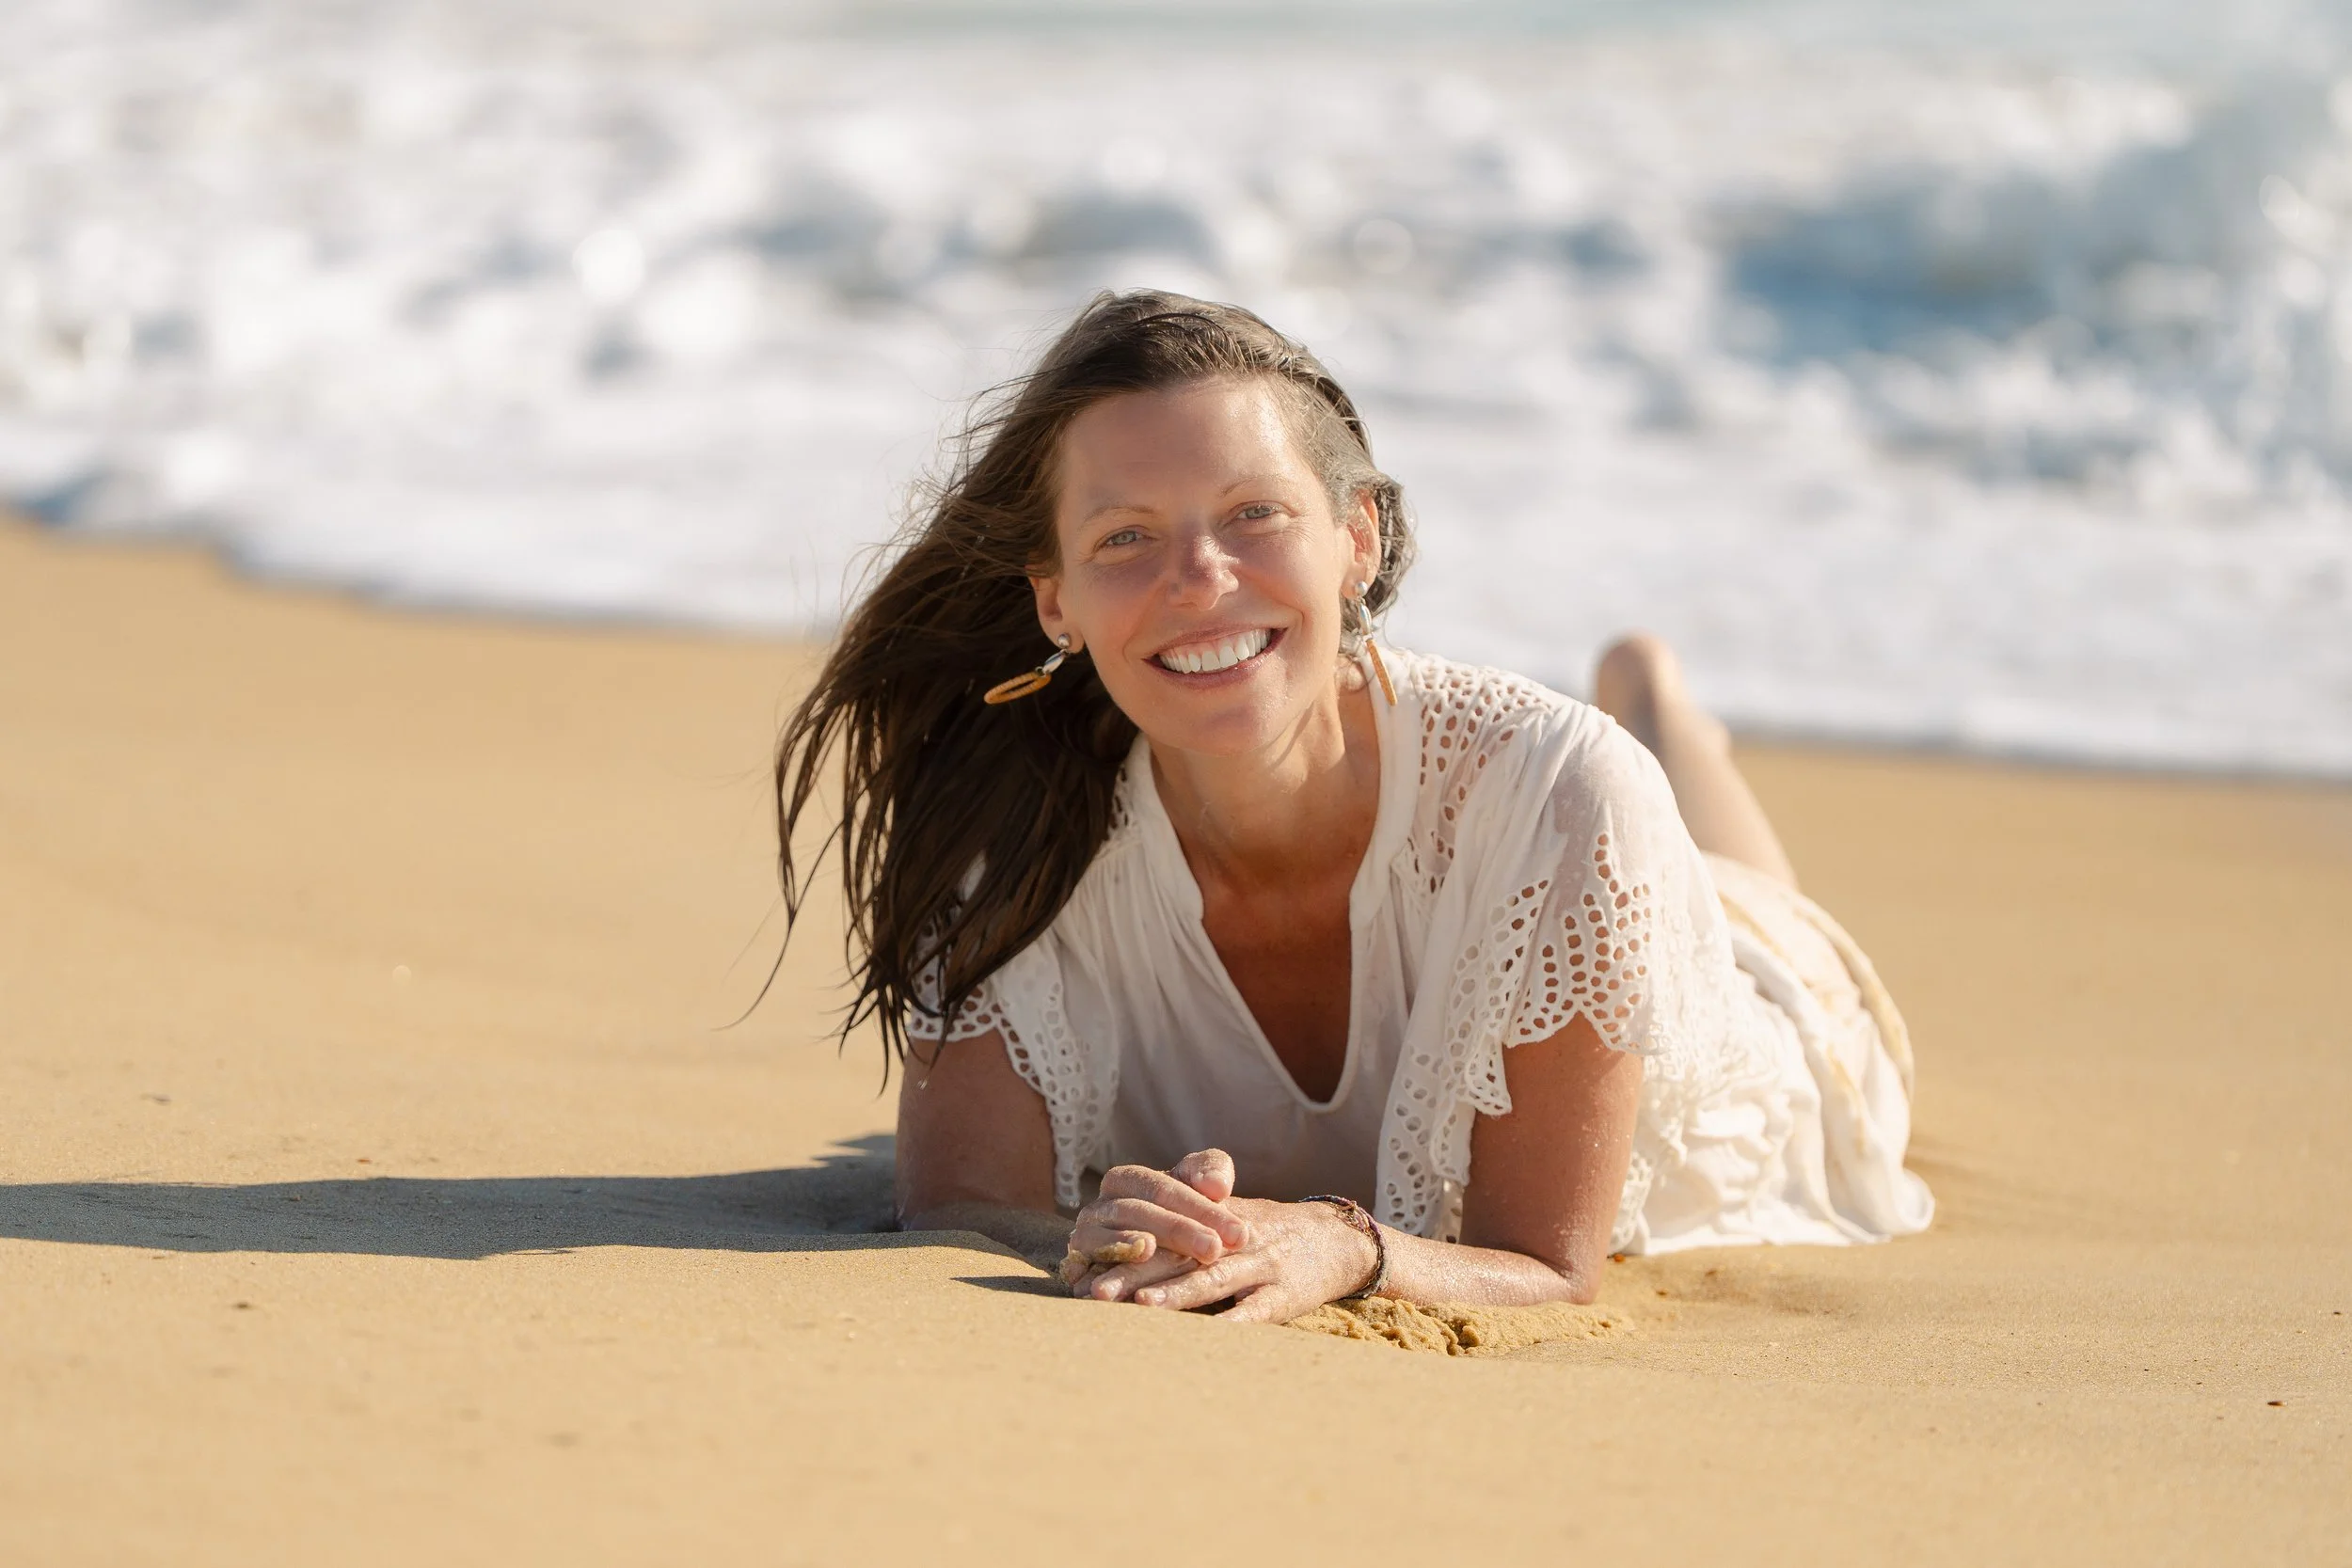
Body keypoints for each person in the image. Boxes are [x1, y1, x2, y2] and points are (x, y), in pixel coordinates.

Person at [772, 290, 1931, 1325]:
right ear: (1056, 600)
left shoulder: (1563, 791)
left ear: (1357, 538)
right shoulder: (1006, 817)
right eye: (1124, 537)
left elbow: (1548, 1261)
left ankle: (1657, 700)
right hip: (1578, 854)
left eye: (1254, 513)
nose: (1200, 579)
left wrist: (1343, 1242)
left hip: (1761, 1013)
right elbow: (965, 1203)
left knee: (1749, 901)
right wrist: (1081, 1237)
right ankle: (1653, 701)